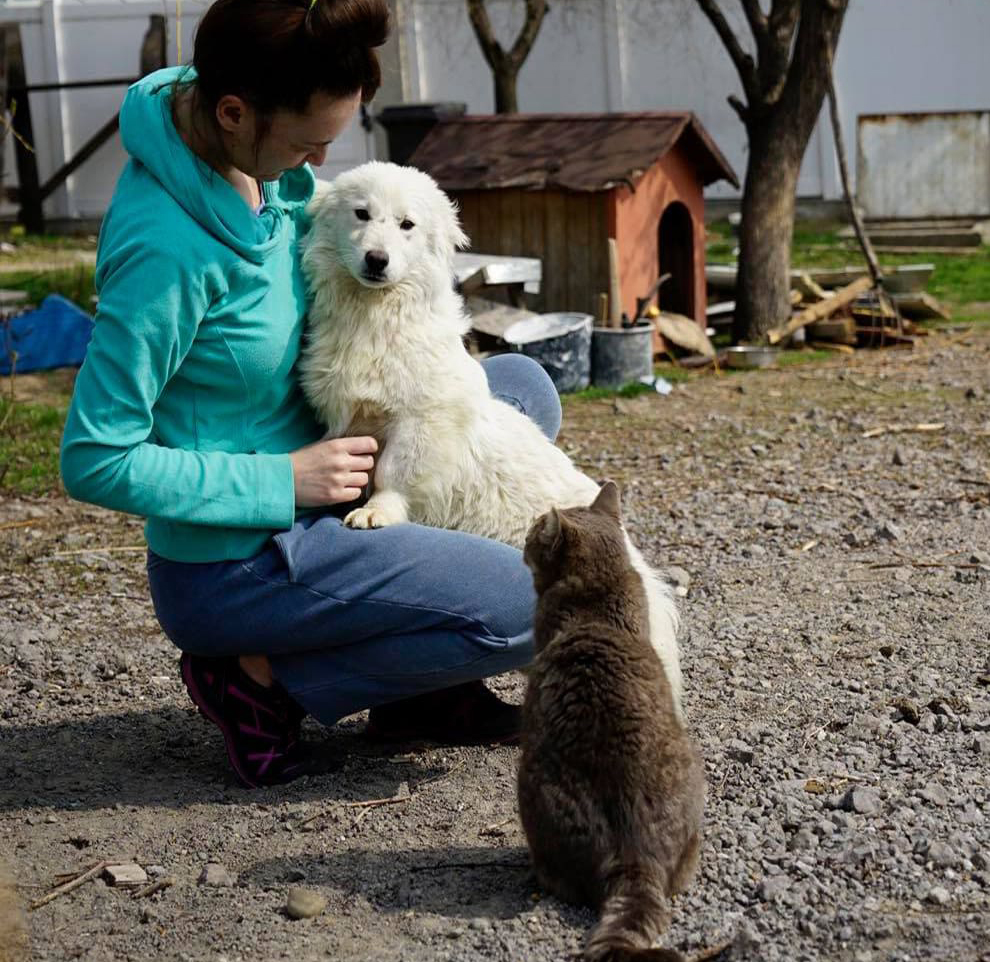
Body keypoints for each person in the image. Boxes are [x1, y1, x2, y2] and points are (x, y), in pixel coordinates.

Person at [60, 0, 562, 789]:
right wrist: (283, 480)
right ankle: (260, 682)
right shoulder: (167, 255)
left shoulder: (254, 157)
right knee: (531, 602)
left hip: (330, 461)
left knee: (520, 387)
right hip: (243, 556)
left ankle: (422, 682)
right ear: (234, 113)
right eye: (308, 143)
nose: (319, 163)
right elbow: (94, 458)